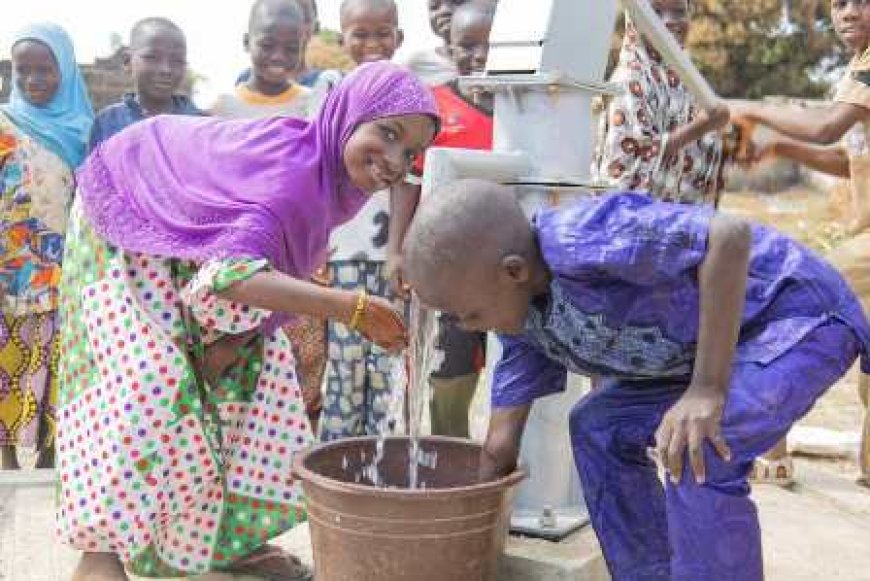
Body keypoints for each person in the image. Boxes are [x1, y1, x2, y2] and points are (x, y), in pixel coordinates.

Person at [58, 61, 437, 581]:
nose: (395, 161)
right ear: (348, 116)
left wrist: (239, 338)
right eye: (387, 134)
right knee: (150, 380)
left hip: (196, 243)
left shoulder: (328, 176)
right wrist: (355, 309)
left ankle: (228, 541)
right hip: (130, 209)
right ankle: (100, 554)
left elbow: (262, 264)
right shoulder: (290, 173)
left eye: (410, 153)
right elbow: (231, 278)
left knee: (263, 375)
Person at [403, 179, 870, 580]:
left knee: (699, 443)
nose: (468, 328)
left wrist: (707, 388)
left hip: (795, 316)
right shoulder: (524, 325)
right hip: (716, 354)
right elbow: (499, 448)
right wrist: (441, 535)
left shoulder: (580, 238)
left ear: (513, 272)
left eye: (470, 314)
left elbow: (727, 236)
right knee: (597, 426)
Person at [734, 0, 870, 486]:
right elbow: (845, 156)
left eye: (861, 2)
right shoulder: (858, 68)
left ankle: (770, 446)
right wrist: (781, 145)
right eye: (838, 3)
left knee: (795, 303)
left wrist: (747, 109)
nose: (848, 13)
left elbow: (826, 127)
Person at [388, 1, 495, 437]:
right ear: (449, 48)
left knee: (512, 371)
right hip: (445, 270)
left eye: (490, 45)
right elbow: (407, 183)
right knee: (445, 371)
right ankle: (442, 460)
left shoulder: (530, 105)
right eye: (468, 46)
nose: (480, 56)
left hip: (508, 268)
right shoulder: (434, 106)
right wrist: (396, 250)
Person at [0, 23, 93, 470]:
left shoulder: (84, 130)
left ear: (67, 72)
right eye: (24, 71)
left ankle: (50, 449)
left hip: (64, 268)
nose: (34, 80)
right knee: (7, 358)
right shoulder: (3, 123)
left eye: (46, 70)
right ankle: (5, 455)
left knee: (57, 359)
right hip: (8, 265)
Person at [319, 0, 406, 441]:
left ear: (399, 37)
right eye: (361, 34)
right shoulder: (329, 91)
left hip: (388, 259)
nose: (373, 44)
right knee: (344, 364)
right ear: (342, 40)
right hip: (341, 257)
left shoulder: (407, 96)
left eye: (383, 33)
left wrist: (396, 251)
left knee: (389, 362)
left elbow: (408, 181)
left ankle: (385, 463)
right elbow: (317, 172)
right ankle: (337, 467)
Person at [595, 0, 730, 204]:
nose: (669, 22)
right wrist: (702, 126)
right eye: (656, 13)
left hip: (666, 213)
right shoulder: (631, 78)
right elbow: (630, 165)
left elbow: (696, 153)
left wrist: (716, 129)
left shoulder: (684, 80)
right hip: (627, 221)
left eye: (679, 12)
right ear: (635, 19)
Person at [89, 18, 202, 150]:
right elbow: (95, 169)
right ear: (127, 62)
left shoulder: (200, 124)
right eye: (152, 57)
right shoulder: (107, 122)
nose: (166, 69)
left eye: (177, 60)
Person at [212, 0, 313, 119]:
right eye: (267, 45)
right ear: (246, 42)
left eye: (291, 48)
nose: (278, 56)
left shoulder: (311, 106)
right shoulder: (224, 107)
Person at [400, 0, 470, 86]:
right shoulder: (416, 66)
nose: (444, 11)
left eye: (457, 2)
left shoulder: (486, 61)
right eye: (434, 6)